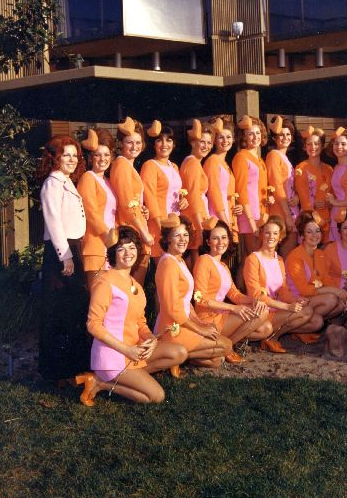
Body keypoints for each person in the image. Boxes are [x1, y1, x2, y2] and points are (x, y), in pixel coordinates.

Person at [75, 226, 188, 405]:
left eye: (132, 247)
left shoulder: (135, 284)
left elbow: (141, 322)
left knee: (179, 352)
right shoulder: (105, 281)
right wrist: (127, 350)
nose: (128, 253)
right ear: (113, 253)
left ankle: (132, 375)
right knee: (156, 396)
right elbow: (93, 325)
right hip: (112, 357)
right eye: (121, 248)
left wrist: (151, 338)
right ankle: (99, 382)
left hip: (134, 351)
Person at [36, 135, 89, 380]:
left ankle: (72, 367)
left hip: (72, 248)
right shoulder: (52, 183)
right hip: (61, 251)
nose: (71, 159)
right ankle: (54, 371)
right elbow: (54, 222)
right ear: (55, 158)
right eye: (65, 155)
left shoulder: (66, 181)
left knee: (73, 309)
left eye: (74, 155)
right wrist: (65, 256)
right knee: (57, 311)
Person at [155, 214, 232, 373]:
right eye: (177, 235)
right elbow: (172, 309)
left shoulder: (179, 261)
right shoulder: (168, 264)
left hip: (183, 321)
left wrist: (199, 322)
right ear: (168, 239)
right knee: (226, 345)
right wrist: (199, 330)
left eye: (186, 235)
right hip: (172, 327)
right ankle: (173, 354)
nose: (183, 239)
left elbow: (185, 302)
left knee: (217, 361)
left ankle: (178, 358)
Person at [193, 218, 272, 363]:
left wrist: (254, 300)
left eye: (224, 238)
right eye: (215, 238)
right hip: (207, 318)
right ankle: (228, 348)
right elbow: (200, 298)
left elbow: (234, 294)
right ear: (207, 242)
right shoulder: (204, 261)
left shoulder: (223, 266)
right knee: (262, 313)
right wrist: (233, 308)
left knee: (265, 327)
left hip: (222, 314)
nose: (220, 242)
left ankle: (225, 345)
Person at [243, 215, 323, 353]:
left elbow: (282, 289)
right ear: (261, 234)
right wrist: (287, 306)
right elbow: (256, 295)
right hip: (260, 310)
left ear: (280, 236)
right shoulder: (253, 259)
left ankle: (287, 332)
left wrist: (295, 300)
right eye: (267, 232)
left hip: (276, 307)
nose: (271, 236)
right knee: (306, 313)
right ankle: (272, 337)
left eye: (275, 233)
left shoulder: (279, 259)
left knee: (316, 321)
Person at [285, 211, 347, 342]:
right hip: (295, 300)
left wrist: (341, 294)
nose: (315, 235)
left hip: (311, 298)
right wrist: (333, 291)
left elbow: (326, 278)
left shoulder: (320, 253)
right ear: (302, 235)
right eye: (309, 232)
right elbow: (303, 290)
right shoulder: (295, 256)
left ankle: (303, 327)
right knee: (330, 300)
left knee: (339, 305)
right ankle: (291, 325)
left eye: (317, 231)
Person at [111, 116, 154, 285]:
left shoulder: (128, 165)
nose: (134, 147)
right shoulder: (121, 165)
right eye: (130, 142)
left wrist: (144, 209)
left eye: (138, 142)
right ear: (121, 143)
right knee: (133, 285)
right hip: (131, 233)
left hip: (136, 228)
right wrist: (144, 232)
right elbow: (126, 205)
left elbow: (133, 201)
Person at [141, 120, 188, 261]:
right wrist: (161, 223)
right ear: (154, 144)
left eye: (169, 140)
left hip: (175, 223)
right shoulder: (150, 165)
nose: (164, 144)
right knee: (163, 264)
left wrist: (183, 201)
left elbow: (175, 193)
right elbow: (149, 197)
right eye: (159, 140)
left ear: (174, 144)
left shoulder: (174, 166)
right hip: (159, 226)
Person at [77, 128, 117, 289]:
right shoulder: (88, 178)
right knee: (98, 299)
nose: (103, 159)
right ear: (90, 157)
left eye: (106, 155)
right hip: (96, 246)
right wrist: (109, 237)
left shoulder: (107, 181)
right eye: (98, 155)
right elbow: (90, 213)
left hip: (110, 245)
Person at [232, 115, 270, 261]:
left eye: (258, 133)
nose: (255, 137)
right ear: (244, 137)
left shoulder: (260, 159)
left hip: (262, 214)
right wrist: (251, 221)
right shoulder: (241, 157)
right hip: (250, 215)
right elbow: (241, 191)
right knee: (253, 257)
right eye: (251, 134)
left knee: (259, 256)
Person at [179, 119, 213, 269]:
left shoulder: (195, 163)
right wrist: (200, 226)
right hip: (194, 219)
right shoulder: (192, 163)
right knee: (196, 264)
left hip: (195, 217)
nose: (206, 146)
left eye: (209, 143)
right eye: (202, 142)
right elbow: (193, 196)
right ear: (193, 143)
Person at [203, 116, 241, 242]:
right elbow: (214, 193)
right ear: (215, 140)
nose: (225, 141)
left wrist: (237, 206)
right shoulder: (212, 161)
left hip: (229, 217)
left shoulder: (225, 163)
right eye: (221, 137)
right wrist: (225, 222)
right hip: (219, 218)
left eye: (228, 137)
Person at [265, 115, 299, 256]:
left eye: (288, 134)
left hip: (291, 209)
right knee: (286, 255)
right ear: (274, 138)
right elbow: (277, 186)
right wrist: (287, 216)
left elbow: (291, 186)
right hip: (281, 212)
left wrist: (297, 197)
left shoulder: (286, 158)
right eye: (281, 135)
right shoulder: (273, 155)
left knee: (290, 255)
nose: (285, 137)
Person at [293, 126, 333, 243]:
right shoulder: (301, 168)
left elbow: (333, 195)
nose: (313, 147)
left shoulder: (329, 169)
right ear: (304, 147)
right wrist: (318, 219)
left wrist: (328, 203)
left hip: (328, 220)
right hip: (310, 221)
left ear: (322, 146)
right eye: (309, 144)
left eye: (316, 143)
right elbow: (304, 199)